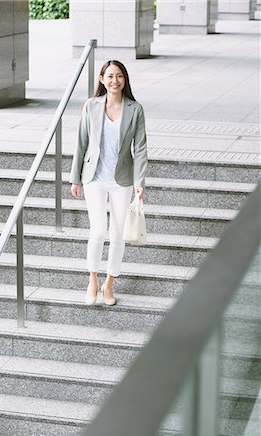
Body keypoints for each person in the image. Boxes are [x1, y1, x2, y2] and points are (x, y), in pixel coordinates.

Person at [70, 60, 148, 306]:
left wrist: (140, 181)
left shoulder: (135, 109)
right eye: (110, 76)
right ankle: (92, 280)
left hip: (122, 180)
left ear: (125, 80)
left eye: (120, 76)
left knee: (117, 234)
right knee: (98, 231)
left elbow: (141, 148)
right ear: (102, 79)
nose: (115, 81)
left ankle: (109, 284)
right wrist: (75, 179)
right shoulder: (91, 106)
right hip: (93, 178)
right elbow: (81, 143)